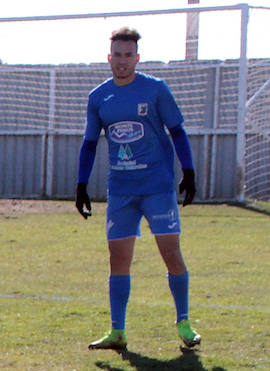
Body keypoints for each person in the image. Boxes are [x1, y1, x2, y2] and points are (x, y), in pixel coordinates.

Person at [76, 27, 200, 352]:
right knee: (118, 258)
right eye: (117, 55)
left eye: (128, 55)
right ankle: (118, 331)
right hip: (121, 190)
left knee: (171, 253)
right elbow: (89, 144)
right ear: (109, 57)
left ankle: (184, 322)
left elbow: (177, 131)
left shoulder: (155, 90)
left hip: (157, 186)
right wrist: (80, 184)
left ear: (137, 58)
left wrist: (188, 172)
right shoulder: (98, 97)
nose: (122, 61)